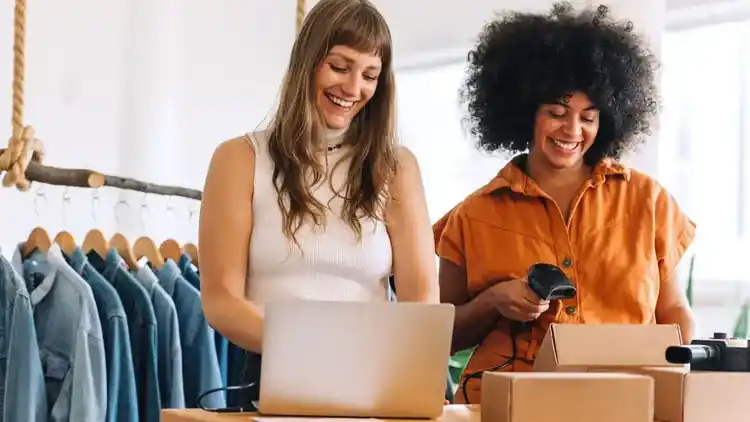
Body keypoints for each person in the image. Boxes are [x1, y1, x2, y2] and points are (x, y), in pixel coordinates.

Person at [434, 2, 697, 404]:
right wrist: (493, 301)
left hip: (624, 401)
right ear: (525, 113)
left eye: (588, 117)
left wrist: (676, 387)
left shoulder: (649, 202)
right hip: (505, 402)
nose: (572, 130)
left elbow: (675, 311)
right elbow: (439, 338)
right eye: (557, 112)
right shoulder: (472, 216)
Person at [198, 0, 439, 404]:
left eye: (370, 75)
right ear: (307, 63)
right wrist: (313, 352)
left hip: (375, 378)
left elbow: (422, 298)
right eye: (340, 67)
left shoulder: (396, 167)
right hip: (271, 377)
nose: (353, 88)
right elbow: (222, 300)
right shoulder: (239, 160)